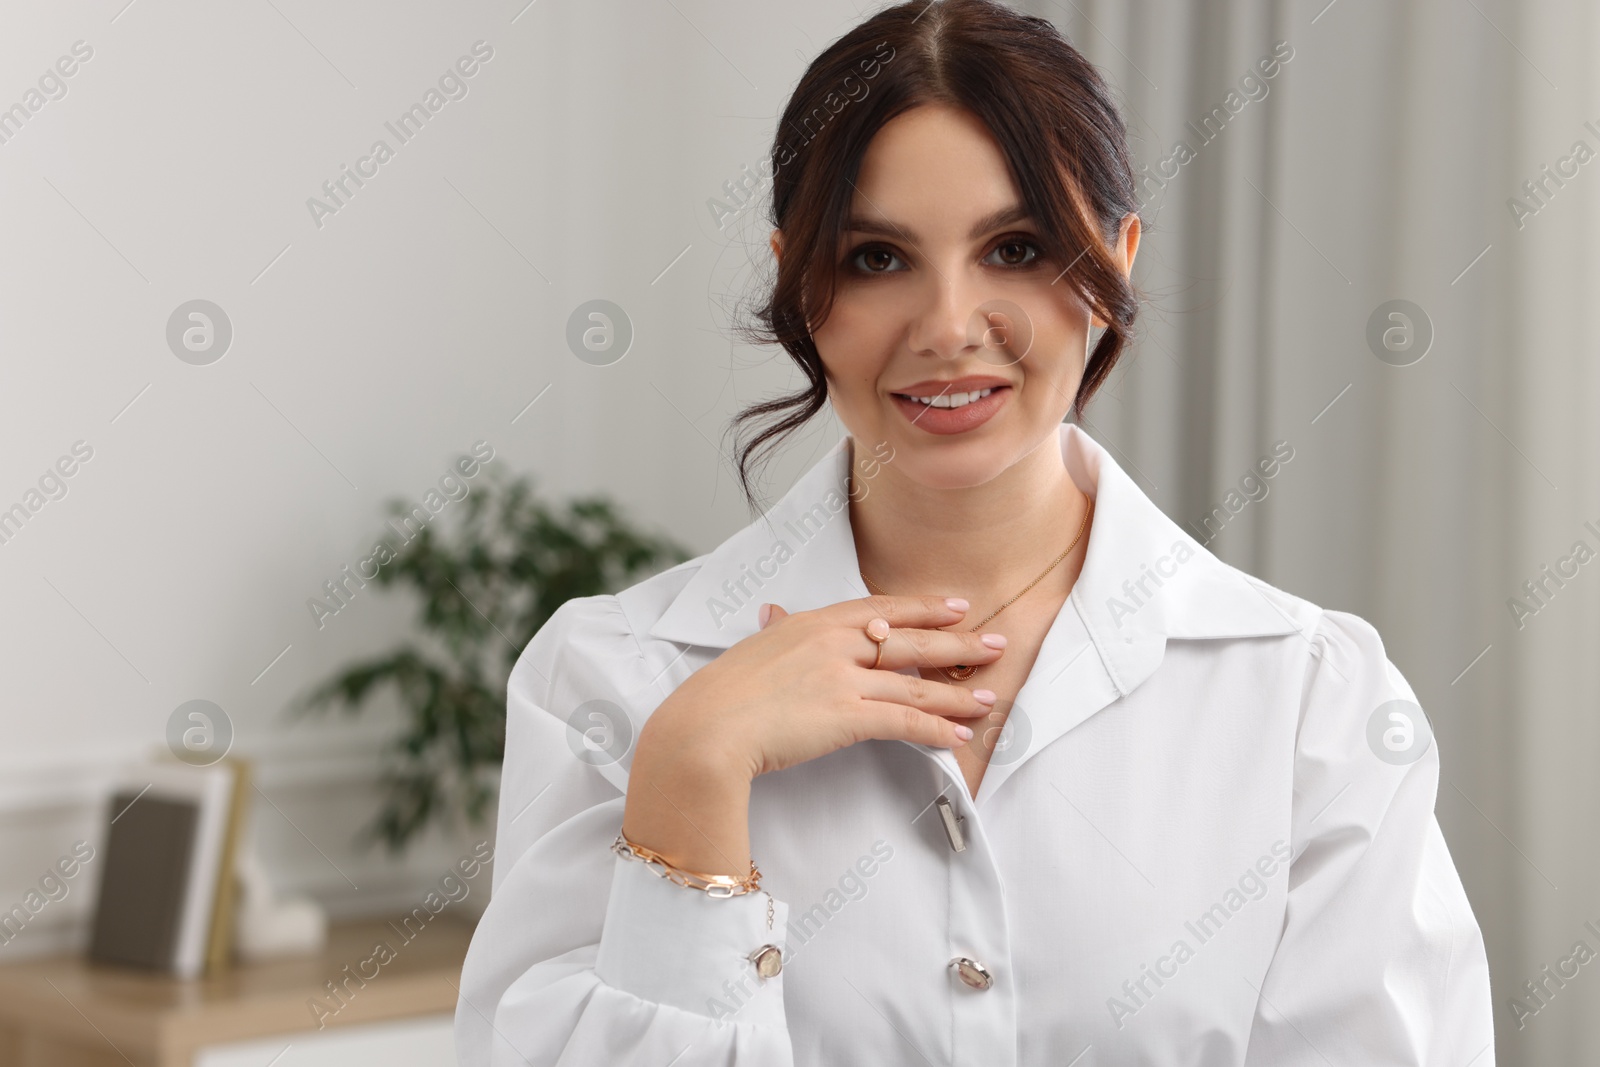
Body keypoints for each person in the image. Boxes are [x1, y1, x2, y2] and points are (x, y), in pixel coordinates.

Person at [455, 1, 1494, 1063]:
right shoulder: (615, 685)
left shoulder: (1313, 706)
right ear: (797, 282)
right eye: (874, 257)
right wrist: (690, 770)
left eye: (1016, 246)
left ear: (1118, 258)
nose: (949, 326)